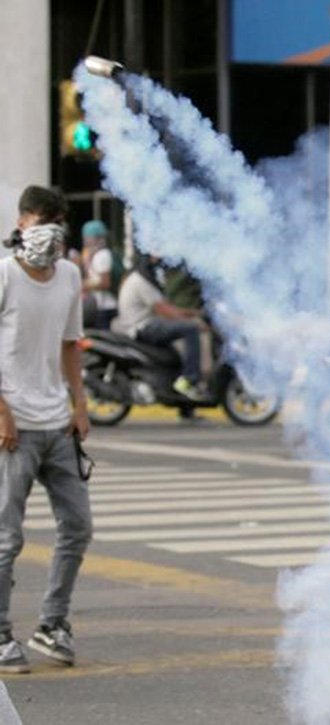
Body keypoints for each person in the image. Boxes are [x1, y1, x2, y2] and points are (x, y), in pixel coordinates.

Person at [0, 186, 92, 673]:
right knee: (5, 538)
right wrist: (2, 413)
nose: (49, 229)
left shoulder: (71, 276)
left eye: (57, 220)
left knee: (77, 526)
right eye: (41, 219)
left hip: (58, 424)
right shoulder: (4, 275)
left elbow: (69, 344)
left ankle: (52, 623)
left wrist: (79, 405)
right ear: (22, 222)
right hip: (13, 427)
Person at [114, 253, 207, 400]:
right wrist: (194, 322)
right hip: (142, 327)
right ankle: (190, 379)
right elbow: (165, 312)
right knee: (191, 329)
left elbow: (168, 308)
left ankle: (184, 400)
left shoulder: (143, 280)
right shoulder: (141, 282)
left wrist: (195, 313)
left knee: (175, 357)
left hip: (146, 324)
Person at [80, 219, 118, 330]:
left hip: (105, 307)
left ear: (95, 239)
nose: (85, 241)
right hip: (96, 306)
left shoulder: (103, 255)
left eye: (87, 238)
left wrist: (83, 286)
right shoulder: (93, 255)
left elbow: (105, 283)